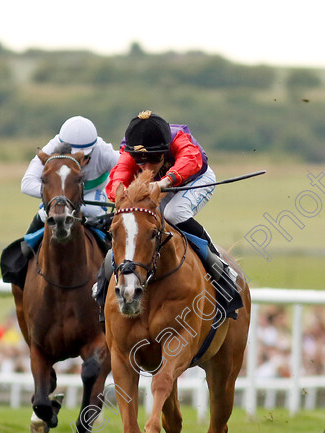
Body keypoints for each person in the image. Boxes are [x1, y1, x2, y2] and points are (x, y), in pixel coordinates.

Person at [95, 110, 242, 317]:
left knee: (174, 213)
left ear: (164, 151)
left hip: (193, 180)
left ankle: (222, 272)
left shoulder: (179, 139)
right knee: (132, 222)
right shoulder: (129, 151)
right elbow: (117, 178)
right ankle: (103, 286)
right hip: (156, 189)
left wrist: (164, 182)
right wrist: (124, 193)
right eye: (140, 160)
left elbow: (191, 161)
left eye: (154, 159)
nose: (146, 166)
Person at [20, 115, 119, 234]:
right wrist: (55, 193)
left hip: (91, 194)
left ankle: (109, 248)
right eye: (74, 157)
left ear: (93, 148)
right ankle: (25, 247)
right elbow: (26, 183)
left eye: (85, 157)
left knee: (93, 211)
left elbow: (129, 173)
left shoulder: (105, 152)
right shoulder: (51, 149)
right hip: (59, 196)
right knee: (42, 215)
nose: (81, 162)